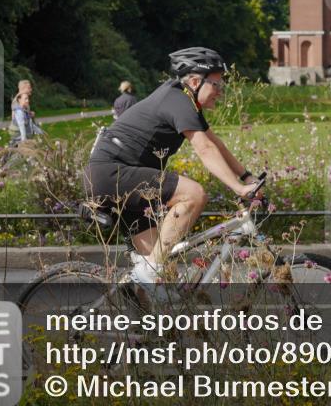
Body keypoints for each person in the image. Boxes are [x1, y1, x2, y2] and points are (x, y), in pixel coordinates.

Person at [83, 47, 261, 284]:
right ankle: (149, 273)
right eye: (217, 85)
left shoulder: (183, 100)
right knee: (194, 194)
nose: (221, 92)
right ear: (196, 81)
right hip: (113, 173)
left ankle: (143, 307)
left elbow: (215, 144)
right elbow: (204, 149)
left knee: (161, 282)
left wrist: (247, 177)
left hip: (115, 177)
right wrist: (239, 189)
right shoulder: (177, 99)